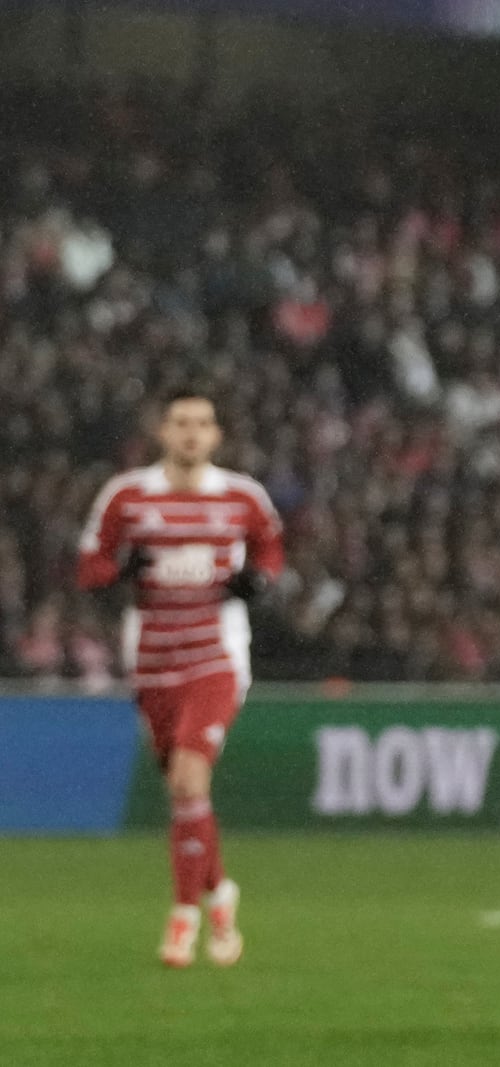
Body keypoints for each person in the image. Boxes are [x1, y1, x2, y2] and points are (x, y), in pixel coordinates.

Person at [77, 386, 284, 968]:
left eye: (202, 423)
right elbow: (88, 568)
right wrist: (120, 569)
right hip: (152, 659)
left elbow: (271, 548)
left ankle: (183, 917)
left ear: (215, 435)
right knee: (184, 793)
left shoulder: (242, 497)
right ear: (162, 432)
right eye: (180, 422)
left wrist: (259, 582)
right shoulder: (127, 496)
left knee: (190, 782)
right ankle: (221, 892)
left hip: (216, 656)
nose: (192, 433)